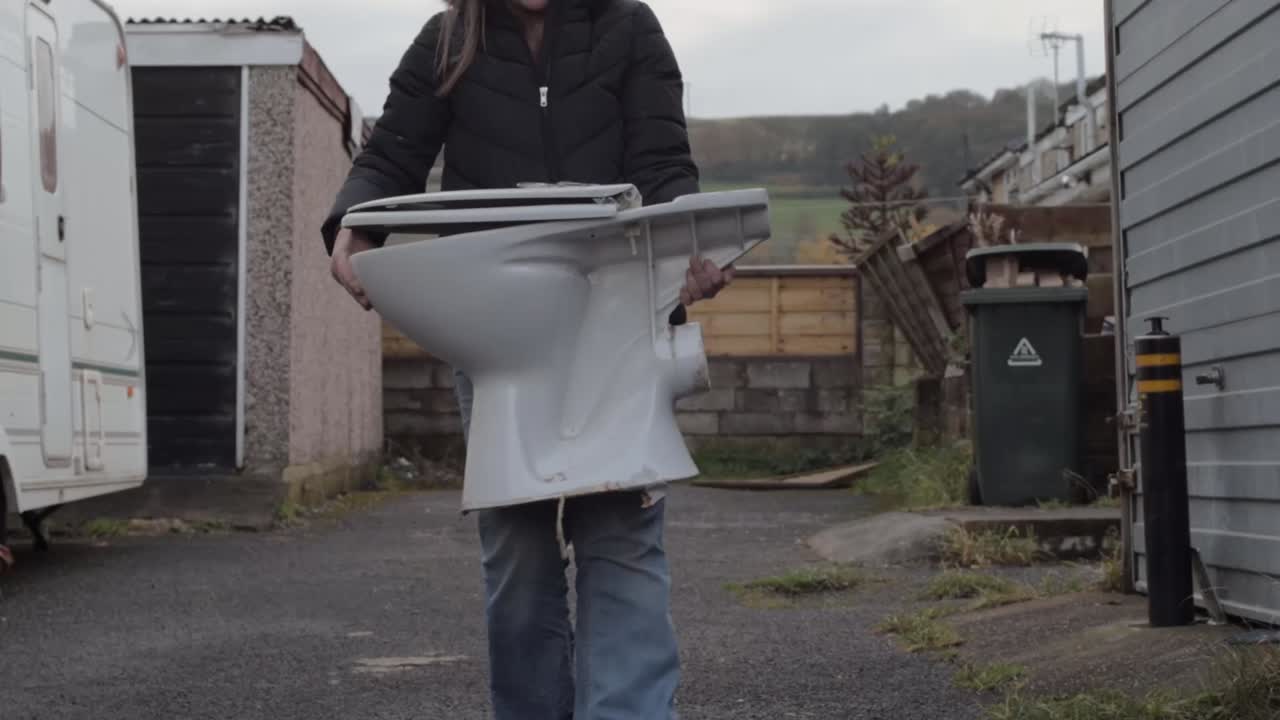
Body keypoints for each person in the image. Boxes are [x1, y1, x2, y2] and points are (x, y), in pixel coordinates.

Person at [321, 1, 731, 718]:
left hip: (619, 324)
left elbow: (664, 164)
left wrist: (692, 241)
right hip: (495, 334)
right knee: (516, 553)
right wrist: (354, 227)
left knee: (621, 538)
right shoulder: (449, 39)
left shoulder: (629, 26)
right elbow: (392, 154)